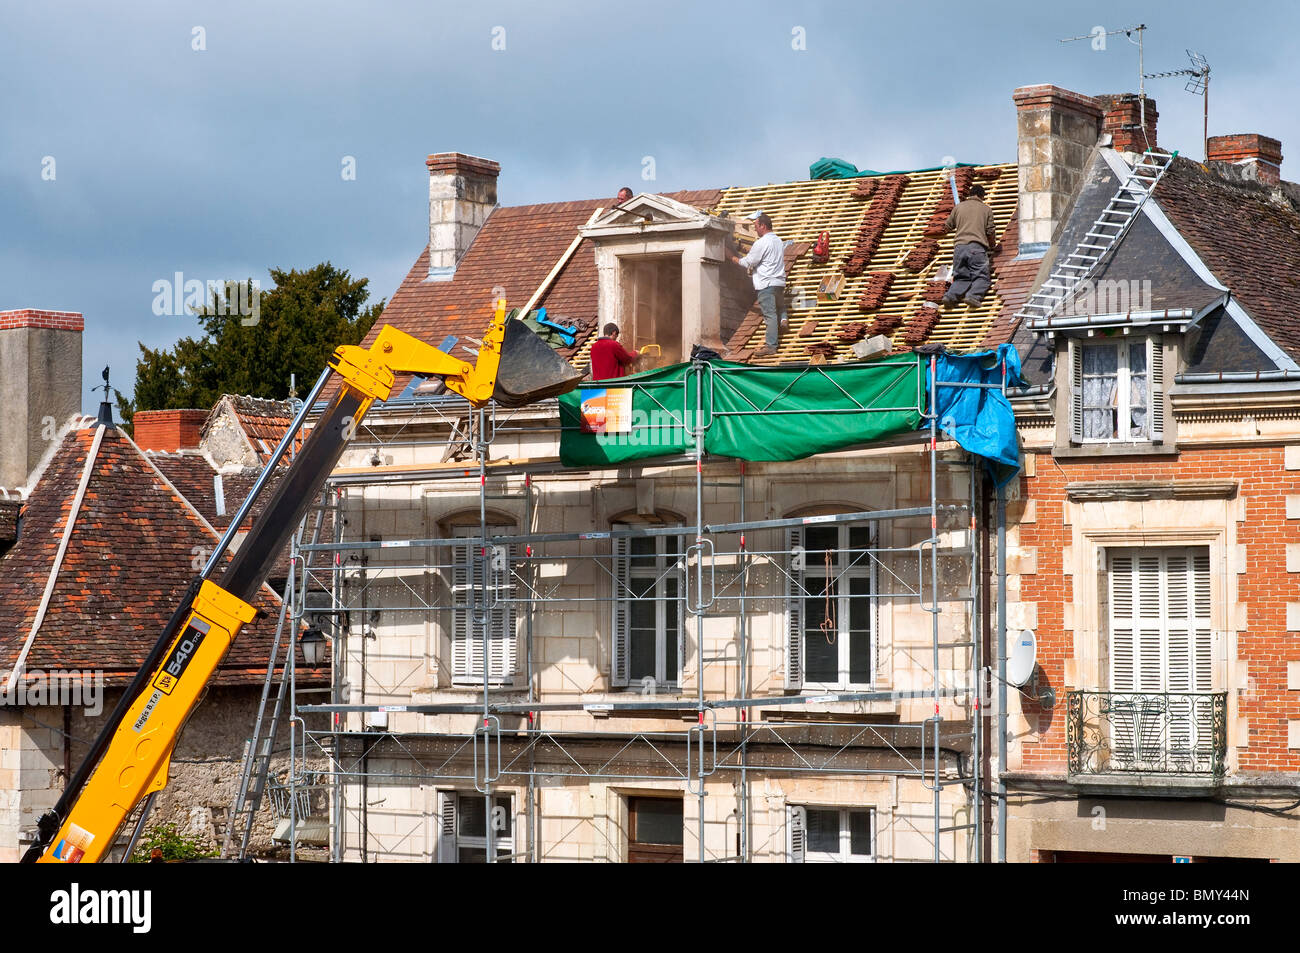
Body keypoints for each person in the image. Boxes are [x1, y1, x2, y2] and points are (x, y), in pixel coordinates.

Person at [729, 211, 788, 357]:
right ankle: (784, 319)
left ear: (762, 225)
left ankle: (771, 346)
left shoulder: (761, 243)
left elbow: (748, 262)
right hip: (778, 282)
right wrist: (745, 250)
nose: (754, 229)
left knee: (769, 315)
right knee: (779, 306)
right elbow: (764, 256)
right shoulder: (778, 241)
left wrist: (731, 257)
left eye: (756, 225)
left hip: (766, 284)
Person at [941, 184, 1001, 307]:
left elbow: (947, 226)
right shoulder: (986, 209)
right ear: (981, 196)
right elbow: (990, 231)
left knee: (961, 278)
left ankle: (950, 296)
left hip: (959, 248)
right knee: (982, 277)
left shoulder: (958, 207)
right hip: (976, 248)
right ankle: (973, 296)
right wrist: (992, 245)